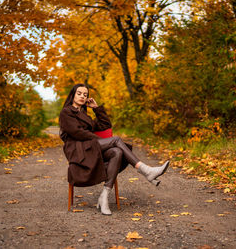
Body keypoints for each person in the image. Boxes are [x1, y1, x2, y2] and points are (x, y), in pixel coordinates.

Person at [59, 83, 169, 215]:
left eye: (85, 94)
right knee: (115, 140)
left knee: (117, 151)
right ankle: (146, 170)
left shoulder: (85, 116)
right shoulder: (66, 112)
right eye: (79, 93)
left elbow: (105, 125)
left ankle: (104, 196)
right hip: (79, 151)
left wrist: (96, 108)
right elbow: (77, 133)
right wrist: (101, 141)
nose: (82, 96)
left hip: (90, 148)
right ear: (73, 95)